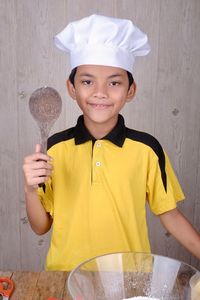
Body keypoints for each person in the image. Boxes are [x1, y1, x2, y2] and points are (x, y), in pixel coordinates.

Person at [23, 14, 200, 271]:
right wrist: (30, 190)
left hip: (130, 279)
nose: (100, 93)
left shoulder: (147, 149)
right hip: (66, 277)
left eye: (114, 82)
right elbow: (41, 226)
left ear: (131, 90)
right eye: (87, 81)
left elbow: (169, 215)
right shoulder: (55, 148)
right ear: (72, 88)